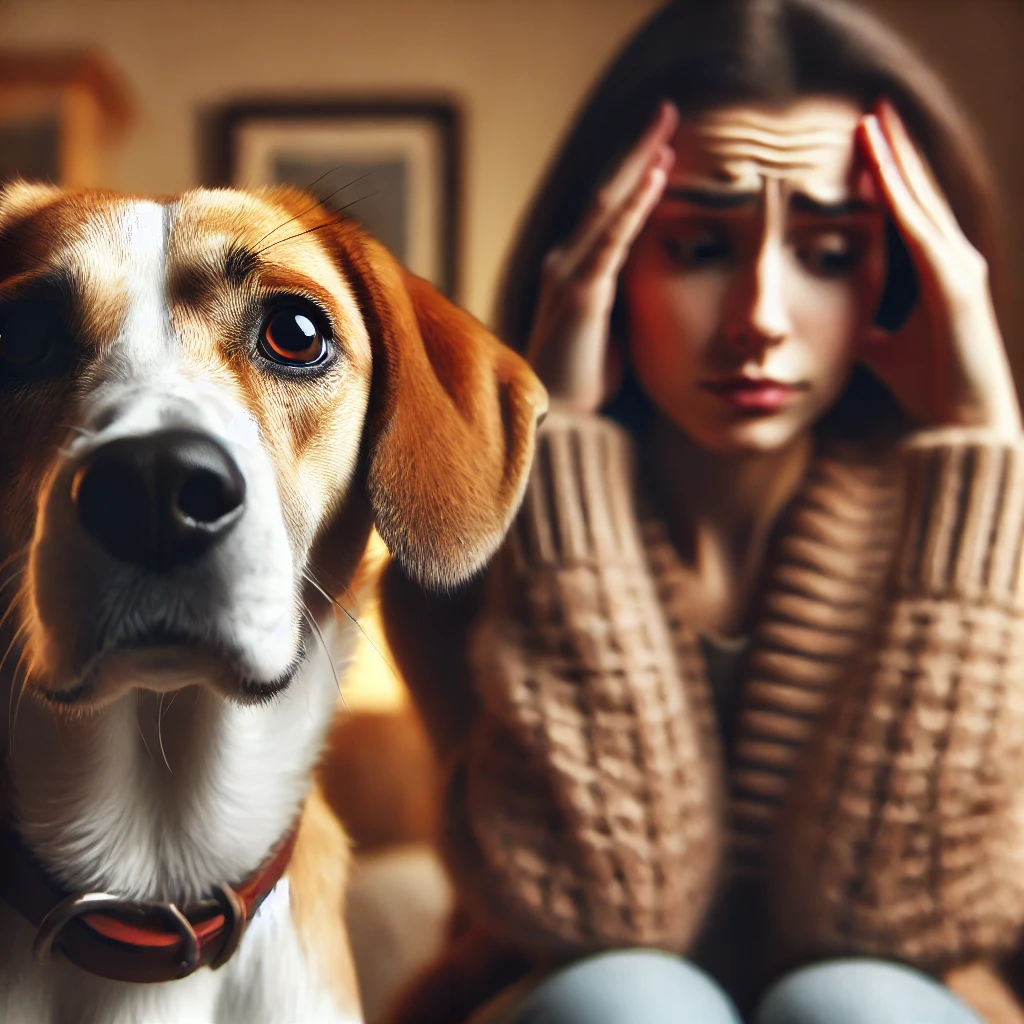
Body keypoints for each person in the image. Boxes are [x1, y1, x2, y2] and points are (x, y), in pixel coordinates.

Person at [381, 1, 1024, 1020]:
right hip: (568, 1002)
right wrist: (563, 466)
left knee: (862, 1003)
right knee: (626, 999)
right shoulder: (450, 566)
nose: (759, 318)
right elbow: (601, 912)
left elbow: (893, 927)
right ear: (601, 256)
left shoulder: (987, 552)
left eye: (824, 252)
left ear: (896, 276)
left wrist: (982, 456)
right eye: (695, 246)